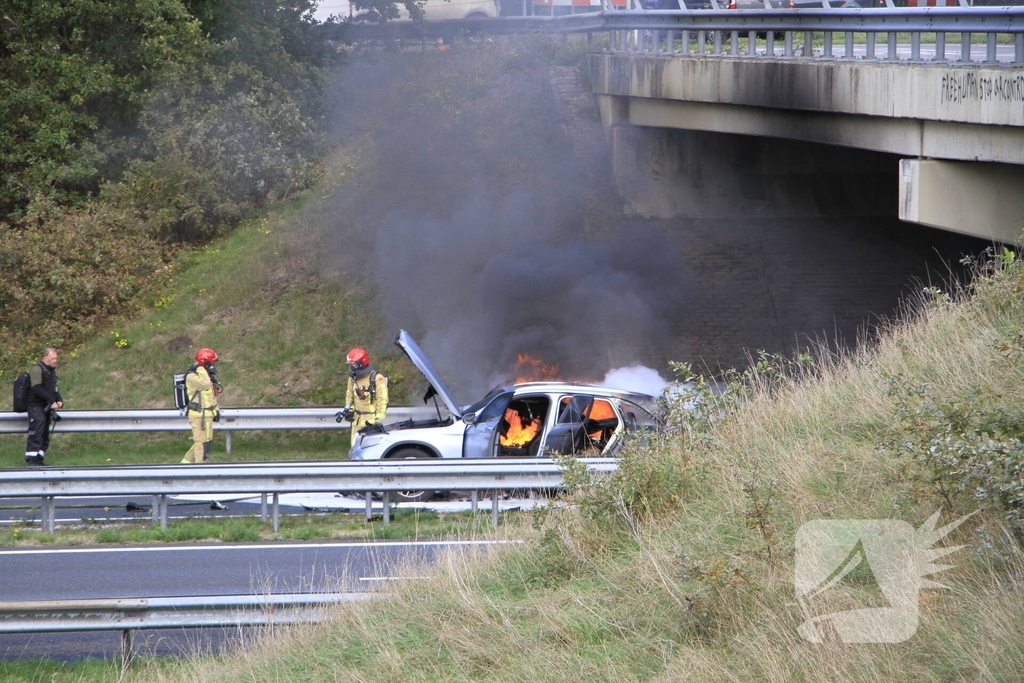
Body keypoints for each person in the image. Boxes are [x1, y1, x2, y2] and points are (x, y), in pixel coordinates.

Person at [180, 347, 222, 464]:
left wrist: (216, 410)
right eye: (211, 363)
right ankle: (200, 467)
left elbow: (211, 395)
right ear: (205, 362)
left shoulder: (206, 376)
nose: (213, 365)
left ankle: (184, 464)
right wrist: (200, 367)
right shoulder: (192, 376)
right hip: (198, 414)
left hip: (207, 414)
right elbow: (205, 384)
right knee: (200, 443)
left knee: (206, 441)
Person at [24, 348, 63, 466]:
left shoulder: (50, 371)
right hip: (36, 406)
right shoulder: (37, 370)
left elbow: (54, 389)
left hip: (46, 406)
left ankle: (39, 458)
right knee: (37, 430)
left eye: (56, 358)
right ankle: (31, 459)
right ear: (45, 357)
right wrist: (51, 400)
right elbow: (37, 388)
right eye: (53, 358)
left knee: (45, 433)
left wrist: (59, 400)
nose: (55, 360)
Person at [342, 347, 389, 437]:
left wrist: (379, 420)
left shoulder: (377, 378)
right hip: (356, 423)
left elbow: (382, 400)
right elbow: (350, 396)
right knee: (355, 450)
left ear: (360, 363)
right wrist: (350, 410)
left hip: (371, 423)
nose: (352, 367)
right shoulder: (352, 379)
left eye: (353, 364)